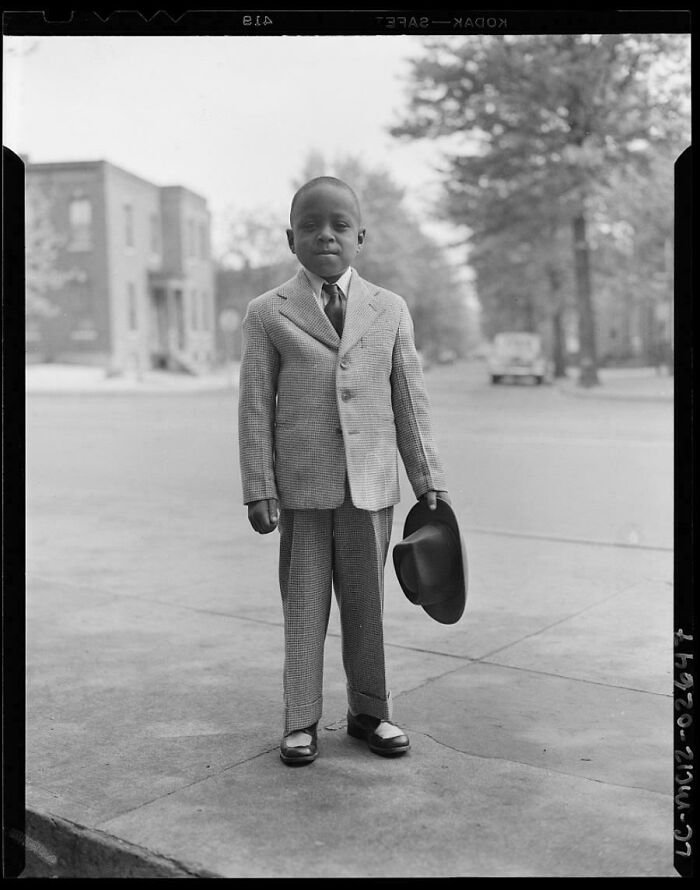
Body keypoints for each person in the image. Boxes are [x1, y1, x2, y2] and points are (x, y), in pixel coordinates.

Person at [238, 176, 449, 766]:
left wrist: (427, 477)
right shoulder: (268, 313)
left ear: (361, 235)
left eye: (338, 225)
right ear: (290, 238)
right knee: (303, 607)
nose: (324, 235)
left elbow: (410, 399)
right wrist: (259, 487)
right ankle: (299, 720)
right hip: (301, 491)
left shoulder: (389, 309)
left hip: (372, 487)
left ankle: (370, 712)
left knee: (366, 607)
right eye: (310, 226)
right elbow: (255, 404)